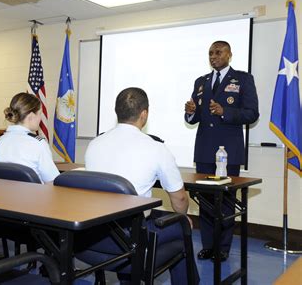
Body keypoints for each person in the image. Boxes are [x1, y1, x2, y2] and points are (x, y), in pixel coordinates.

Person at [85, 87, 199, 285]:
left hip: (93, 236)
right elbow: (179, 199)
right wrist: (183, 216)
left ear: (117, 112)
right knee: (182, 227)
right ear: (144, 114)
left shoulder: (95, 144)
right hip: (131, 239)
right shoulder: (156, 148)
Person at [184, 40, 259, 261]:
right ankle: (208, 245)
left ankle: (223, 247)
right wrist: (190, 112)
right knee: (205, 202)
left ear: (229, 54)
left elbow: (252, 113)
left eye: (218, 52)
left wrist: (225, 111)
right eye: (210, 53)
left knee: (226, 203)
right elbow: (194, 117)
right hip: (205, 150)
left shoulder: (243, 79)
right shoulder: (201, 81)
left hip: (229, 152)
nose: (213, 56)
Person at [0, 92, 59, 183]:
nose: (40, 118)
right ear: (31, 117)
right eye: (40, 114)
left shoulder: (0, 141)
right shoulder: (38, 144)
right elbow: (52, 181)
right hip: (33, 196)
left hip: (1, 197)